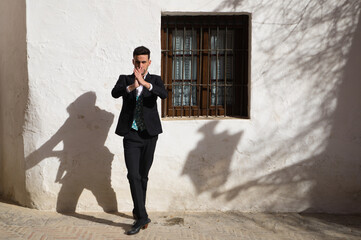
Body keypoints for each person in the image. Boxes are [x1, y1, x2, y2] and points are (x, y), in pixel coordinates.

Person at [111, 46, 167, 235]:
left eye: (144, 62)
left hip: (150, 135)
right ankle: (142, 217)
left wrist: (145, 83)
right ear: (133, 62)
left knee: (143, 176)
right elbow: (115, 93)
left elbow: (163, 94)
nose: (140, 65)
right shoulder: (125, 79)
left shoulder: (155, 80)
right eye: (137, 62)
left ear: (149, 62)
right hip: (131, 135)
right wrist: (134, 85)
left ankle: (138, 210)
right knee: (133, 175)